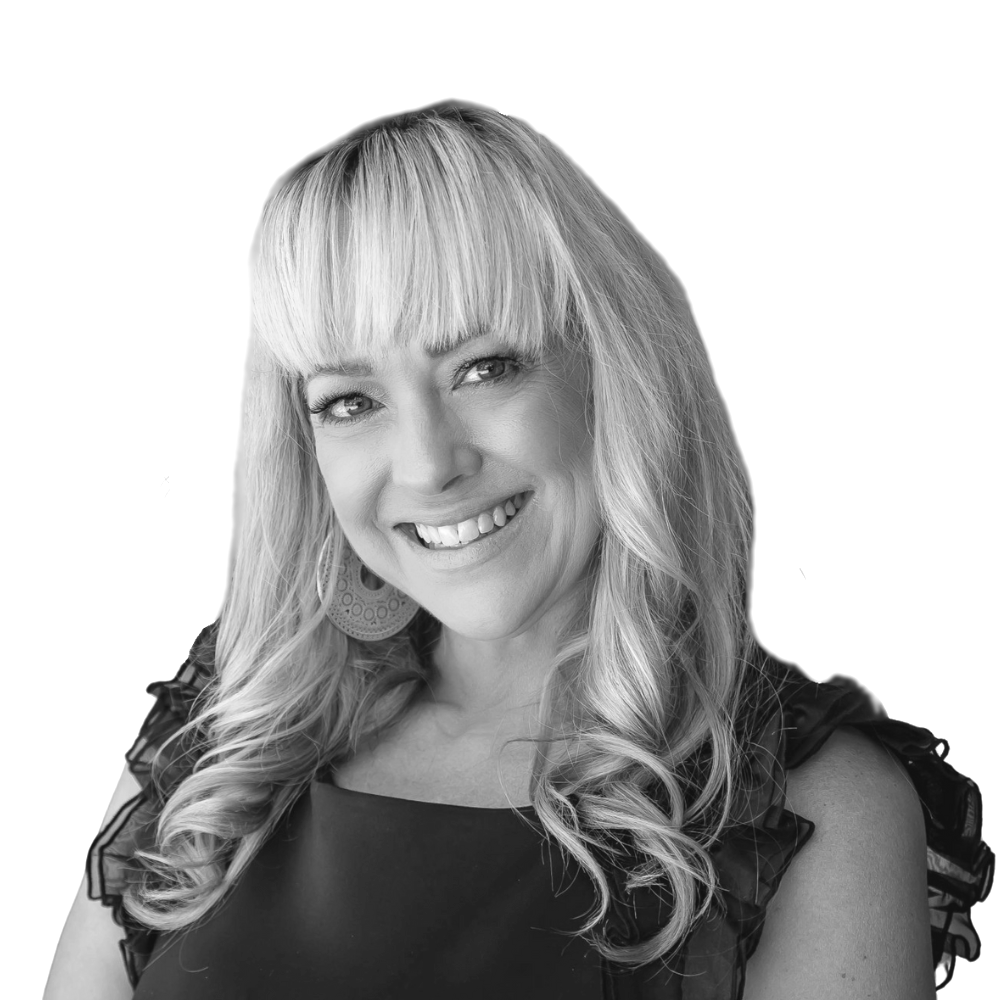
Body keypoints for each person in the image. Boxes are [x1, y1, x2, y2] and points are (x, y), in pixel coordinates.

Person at [45, 101, 992, 1000]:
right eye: (351, 399)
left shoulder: (807, 811)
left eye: (484, 368)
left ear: (613, 375)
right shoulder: (225, 742)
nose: (427, 464)